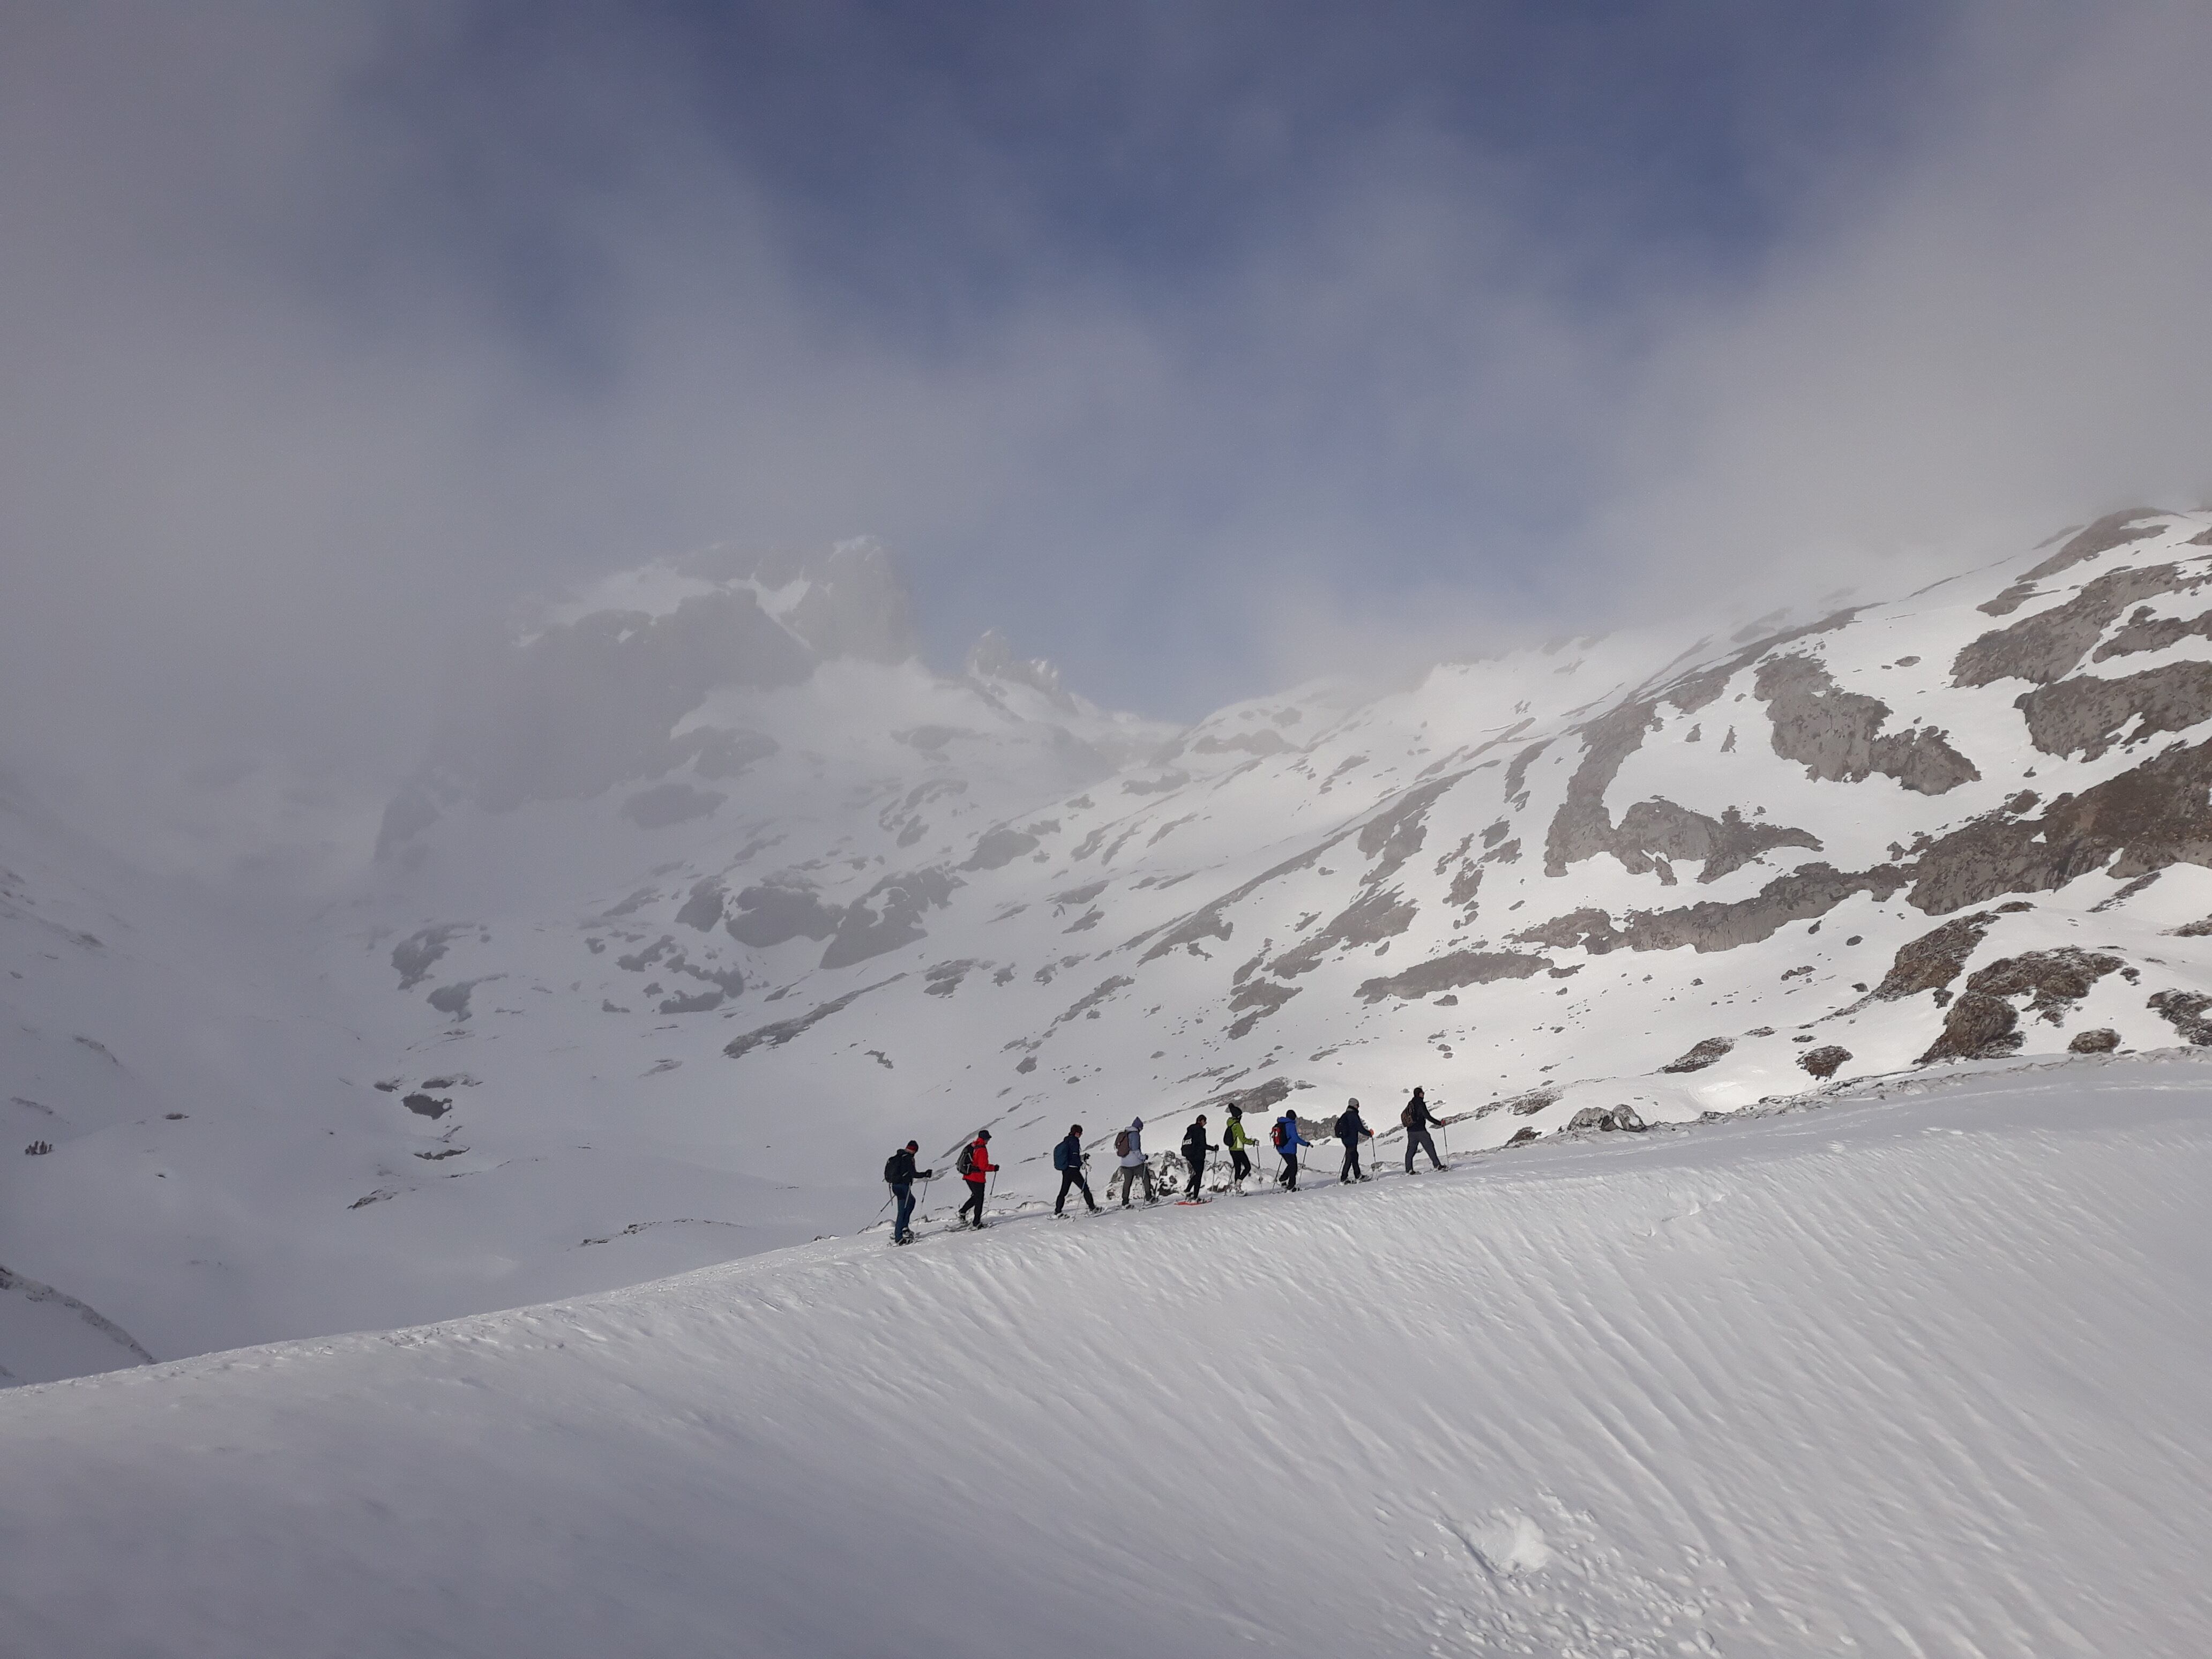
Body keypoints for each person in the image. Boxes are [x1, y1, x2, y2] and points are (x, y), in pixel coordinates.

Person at [884, 1140, 933, 1244]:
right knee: (902, 1210)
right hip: (903, 1187)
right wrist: (926, 1174)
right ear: (915, 1150)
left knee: (911, 1202)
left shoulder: (898, 1157)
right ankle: (899, 1237)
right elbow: (913, 1173)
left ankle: (904, 1228)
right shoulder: (908, 1158)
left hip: (895, 1186)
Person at [1052, 1123, 1099, 1216]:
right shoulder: (1074, 1141)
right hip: (1073, 1171)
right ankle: (1092, 1208)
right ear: (1077, 1133)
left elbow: (1071, 1156)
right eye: (1081, 1133)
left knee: (1063, 1192)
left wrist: (1082, 1157)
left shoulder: (1067, 1140)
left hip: (1066, 1170)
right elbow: (1074, 1157)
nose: (1081, 1135)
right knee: (1085, 1188)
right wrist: (1084, 1165)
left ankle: (1058, 1211)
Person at [1401, 1086, 1448, 1174]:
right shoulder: (1420, 1104)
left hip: (1411, 1131)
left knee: (1411, 1150)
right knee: (1429, 1146)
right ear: (1419, 1094)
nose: (1424, 1095)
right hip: (1420, 1131)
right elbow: (1427, 1116)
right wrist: (1439, 1123)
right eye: (1422, 1093)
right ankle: (1437, 1165)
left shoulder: (1411, 1103)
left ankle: (1409, 1169)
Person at [957, 1128, 996, 1228]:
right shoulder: (982, 1149)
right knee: (979, 1199)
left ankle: (963, 1212)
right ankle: (976, 1223)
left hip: (968, 1176)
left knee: (976, 1196)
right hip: (977, 1178)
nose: (988, 1141)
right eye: (988, 1139)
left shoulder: (973, 1145)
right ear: (985, 1139)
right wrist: (994, 1168)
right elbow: (983, 1166)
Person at [1115, 1117, 1155, 1207]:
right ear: (1139, 1127)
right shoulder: (1135, 1134)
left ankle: (1125, 1202)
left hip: (1124, 1163)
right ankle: (1148, 1197)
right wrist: (1143, 1157)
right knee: (1146, 1177)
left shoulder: (1124, 1134)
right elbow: (1135, 1149)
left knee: (1127, 1182)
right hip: (1136, 1163)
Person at [1336, 1097, 1373, 1183]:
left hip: (1345, 1140)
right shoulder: (1353, 1115)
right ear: (1354, 1105)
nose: (1358, 1107)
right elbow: (1360, 1128)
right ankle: (1344, 1178)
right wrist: (1369, 1133)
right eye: (1357, 1105)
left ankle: (1358, 1175)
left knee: (1354, 1157)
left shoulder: (1345, 1115)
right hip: (1351, 1140)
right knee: (1350, 1158)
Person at [1271, 1109, 1311, 1190]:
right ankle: (1291, 1186)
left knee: (1291, 1165)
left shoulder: (1281, 1123)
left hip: (1281, 1148)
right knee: (1294, 1167)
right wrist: (1306, 1144)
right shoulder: (1291, 1125)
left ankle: (1283, 1179)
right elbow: (1295, 1138)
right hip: (1289, 1149)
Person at [1180, 1115, 1216, 1200]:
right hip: (1198, 1156)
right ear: (1202, 1121)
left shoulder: (1191, 1129)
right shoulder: (1201, 1130)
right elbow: (1203, 1144)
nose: (1205, 1124)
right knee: (1199, 1176)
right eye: (1205, 1122)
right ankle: (1195, 1196)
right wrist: (1213, 1148)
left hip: (1190, 1156)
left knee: (1197, 1174)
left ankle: (1188, 1190)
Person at [1222, 1104, 1254, 1191]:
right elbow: (1243, 1139)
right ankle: (1238, 1184)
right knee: (1248, 1167)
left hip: (1232, 1149)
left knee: (1238, 1168)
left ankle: (1237, 1188)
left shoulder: (1230, 1124)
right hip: (1238, 1149)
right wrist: (1253, 1142)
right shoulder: (1237, 1125)